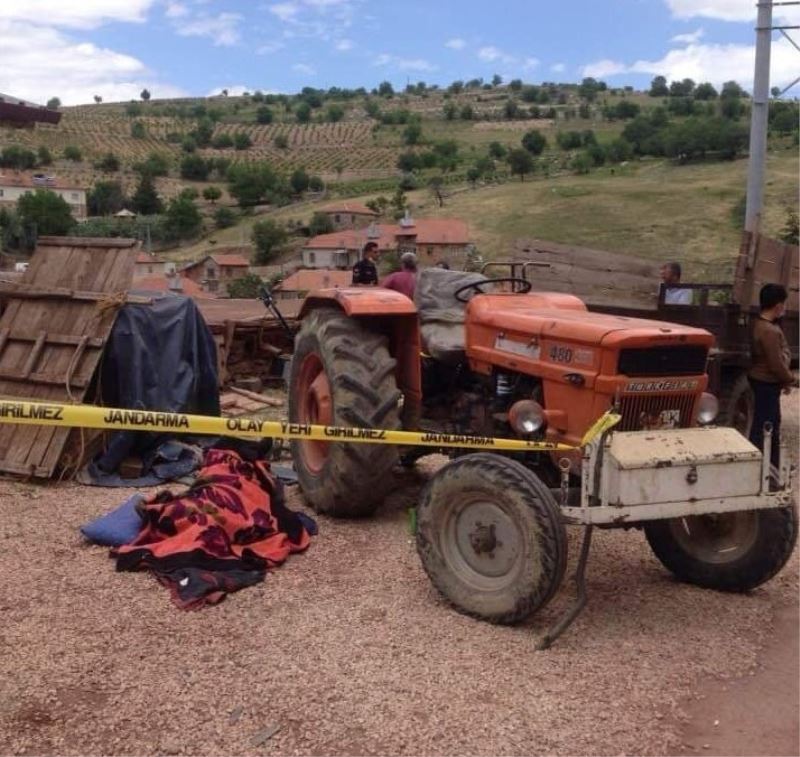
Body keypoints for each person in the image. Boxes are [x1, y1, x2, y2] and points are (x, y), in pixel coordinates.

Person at [748, 283, 797, 470]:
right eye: (783, 304)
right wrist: (790, 379)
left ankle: (768, 464)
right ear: (778, 306)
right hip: (766, 382)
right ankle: (770, 467)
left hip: (762, 380)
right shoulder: (769, 330)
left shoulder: (761, 325)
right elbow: (776, 364)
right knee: (768, 426)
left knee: (765, 423)